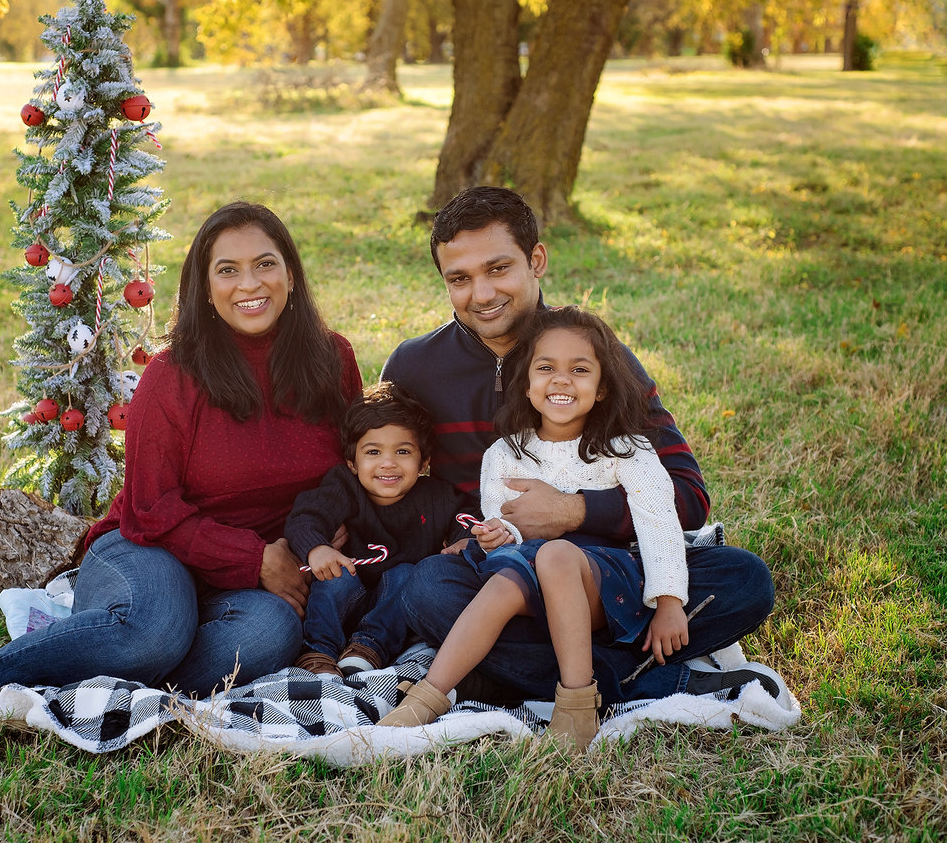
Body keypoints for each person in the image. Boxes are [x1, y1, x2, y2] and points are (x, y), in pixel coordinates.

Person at [0, 201, 363, 717]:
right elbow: (151, 510)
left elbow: (356, 471)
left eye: (265, 263)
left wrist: (325, 535)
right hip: (151, 550)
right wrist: (255, 557)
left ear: (290, 271)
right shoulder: (173, 375)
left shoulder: (332, 360)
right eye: (227, 270)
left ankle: (86, 672)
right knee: (156, 630)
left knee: (272, 633)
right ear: (204, 285)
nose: (249, 284)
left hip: (255, 577)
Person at [381, 186, 776, 710]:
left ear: (536, 260)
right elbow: (398, 484)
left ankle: (507, 674)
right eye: (459, 278)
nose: (480, 294)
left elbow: (686, 498)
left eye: (498, 269)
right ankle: (637, 680)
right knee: (428, 589)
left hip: (612, 578)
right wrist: (466, 531)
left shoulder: (594, 357)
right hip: (504, 573)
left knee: (745, 579)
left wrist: (572, 511)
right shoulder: (413, 367)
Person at [380, 306, 747, 747]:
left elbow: (659, 519)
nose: (560, 380)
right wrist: (496, 535)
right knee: (487, 583)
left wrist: (669, 601)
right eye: (546, 368)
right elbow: (504, 523)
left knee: (743, 576)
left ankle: (576, 704)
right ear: (528, 384)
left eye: (579, 369)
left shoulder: (625, 448)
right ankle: (427, 698)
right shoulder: (504, 453)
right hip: (531, 574)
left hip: (605, 580)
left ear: (602, 387)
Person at [285, 382, 473, 678]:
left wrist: (465, 541)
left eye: (402, 451)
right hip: (347, 598)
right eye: (373, 452)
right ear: (352, 462)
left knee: (408, 574)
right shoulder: (343, 487)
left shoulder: (436, 496)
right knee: (334, 577)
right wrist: (317, 547)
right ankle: (318, 651)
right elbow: (306, 516)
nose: (388, 463)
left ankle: (367, 649)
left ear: (423, 462)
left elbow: (467, 516)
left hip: (392, 615)